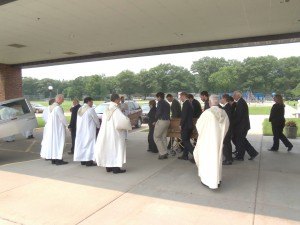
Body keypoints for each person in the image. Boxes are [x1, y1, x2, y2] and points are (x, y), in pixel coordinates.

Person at [193, 95, 229, 189]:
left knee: (207, 159)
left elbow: (199, 125)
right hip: (218, 141)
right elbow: (226, 126)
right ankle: (218, 179)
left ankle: (209, 180)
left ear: (209, 103)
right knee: (217, 159)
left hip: (207, 141)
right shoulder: (224, 113)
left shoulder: (207, 113)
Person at [94, 93, 132, 174]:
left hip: (106, 133)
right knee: (116, 149)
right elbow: (121, 121)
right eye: (119, 99)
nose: (119, 101)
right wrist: (128, 121)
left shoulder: (107, 109)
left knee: (109, 149)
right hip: (115, 133)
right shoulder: (116, 109)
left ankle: (109, 167)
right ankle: (116, 168)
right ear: (117, 100)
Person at [40, 94, 68, 165]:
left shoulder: (50, 107)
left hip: (51, 129)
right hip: (58, 129)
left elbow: (45, 118)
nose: (63, 100)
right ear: (59, 99)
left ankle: (54, 159)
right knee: (59, 143)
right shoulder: (58, 108)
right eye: (62, 99)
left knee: (53, 144)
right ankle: (58, 160)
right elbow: (62, 118)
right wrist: (67, 125)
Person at [232, 91, 259, 161]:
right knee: (242, 141)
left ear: (238, 96)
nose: (233, 97)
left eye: (234, 95)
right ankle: (253, 153)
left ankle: (240, 156)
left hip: (242, 126)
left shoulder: (241, 103)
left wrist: (232, 123)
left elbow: (239, 116)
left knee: (240, 141)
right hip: (243, 126)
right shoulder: (240, 102)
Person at [74, 97, 100, 166]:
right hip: (89, 130)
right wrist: (98, 126)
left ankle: (83, 160)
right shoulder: (90, 109)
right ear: (88, 102)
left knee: (82, 144)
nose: (92, 103)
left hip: (81, 130)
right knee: (90, 145)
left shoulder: (80, 109)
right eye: (91, 102)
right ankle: (89, 161)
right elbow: (96, 119)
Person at [178, 92, 194, 160]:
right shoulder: (189, 103)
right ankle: (185, 155)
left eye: (180, 96)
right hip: (189, 125)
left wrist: (181, 125)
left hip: (186, 126)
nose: (180, 98)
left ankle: (196, 155)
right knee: (186, 140)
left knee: (185, 141)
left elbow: (184, 116)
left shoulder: (185, 104)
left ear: (184, 96)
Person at [154, 92, 170, 160]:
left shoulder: (160, 103)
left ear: (159, 97)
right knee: (163, 137)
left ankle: (162, 153)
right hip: (167, 121)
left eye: (157, 97)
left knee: (156, 137)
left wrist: (155, 118)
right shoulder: (167, 103)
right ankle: (165, 151)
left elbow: (159, 112)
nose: (156, 99)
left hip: (162, 121)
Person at [220, 94, 233, 165]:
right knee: (227, 143)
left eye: (221, 98)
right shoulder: (227, 107)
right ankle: (229, 158)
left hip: (227, 128)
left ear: (224, 99)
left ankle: (228, 159)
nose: (220, 100)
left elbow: (225, 119)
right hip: (228, 128)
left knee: (225, 143)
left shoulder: (227, 107)